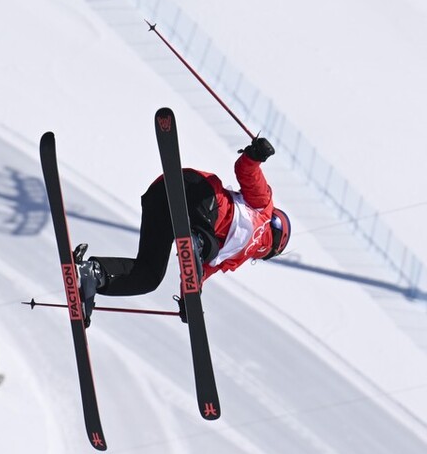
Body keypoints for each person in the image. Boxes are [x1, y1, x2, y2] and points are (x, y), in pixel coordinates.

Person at [75, 136, 291, 321]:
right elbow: (247, 172)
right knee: (209, 247)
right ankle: (196, 239)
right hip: (198, 193)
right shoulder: (263, 207)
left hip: (160, 199)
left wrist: (191, 299)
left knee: (149, 275)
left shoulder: (231, 258)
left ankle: (95, 273)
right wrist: (255, 154)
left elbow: (197, 272)